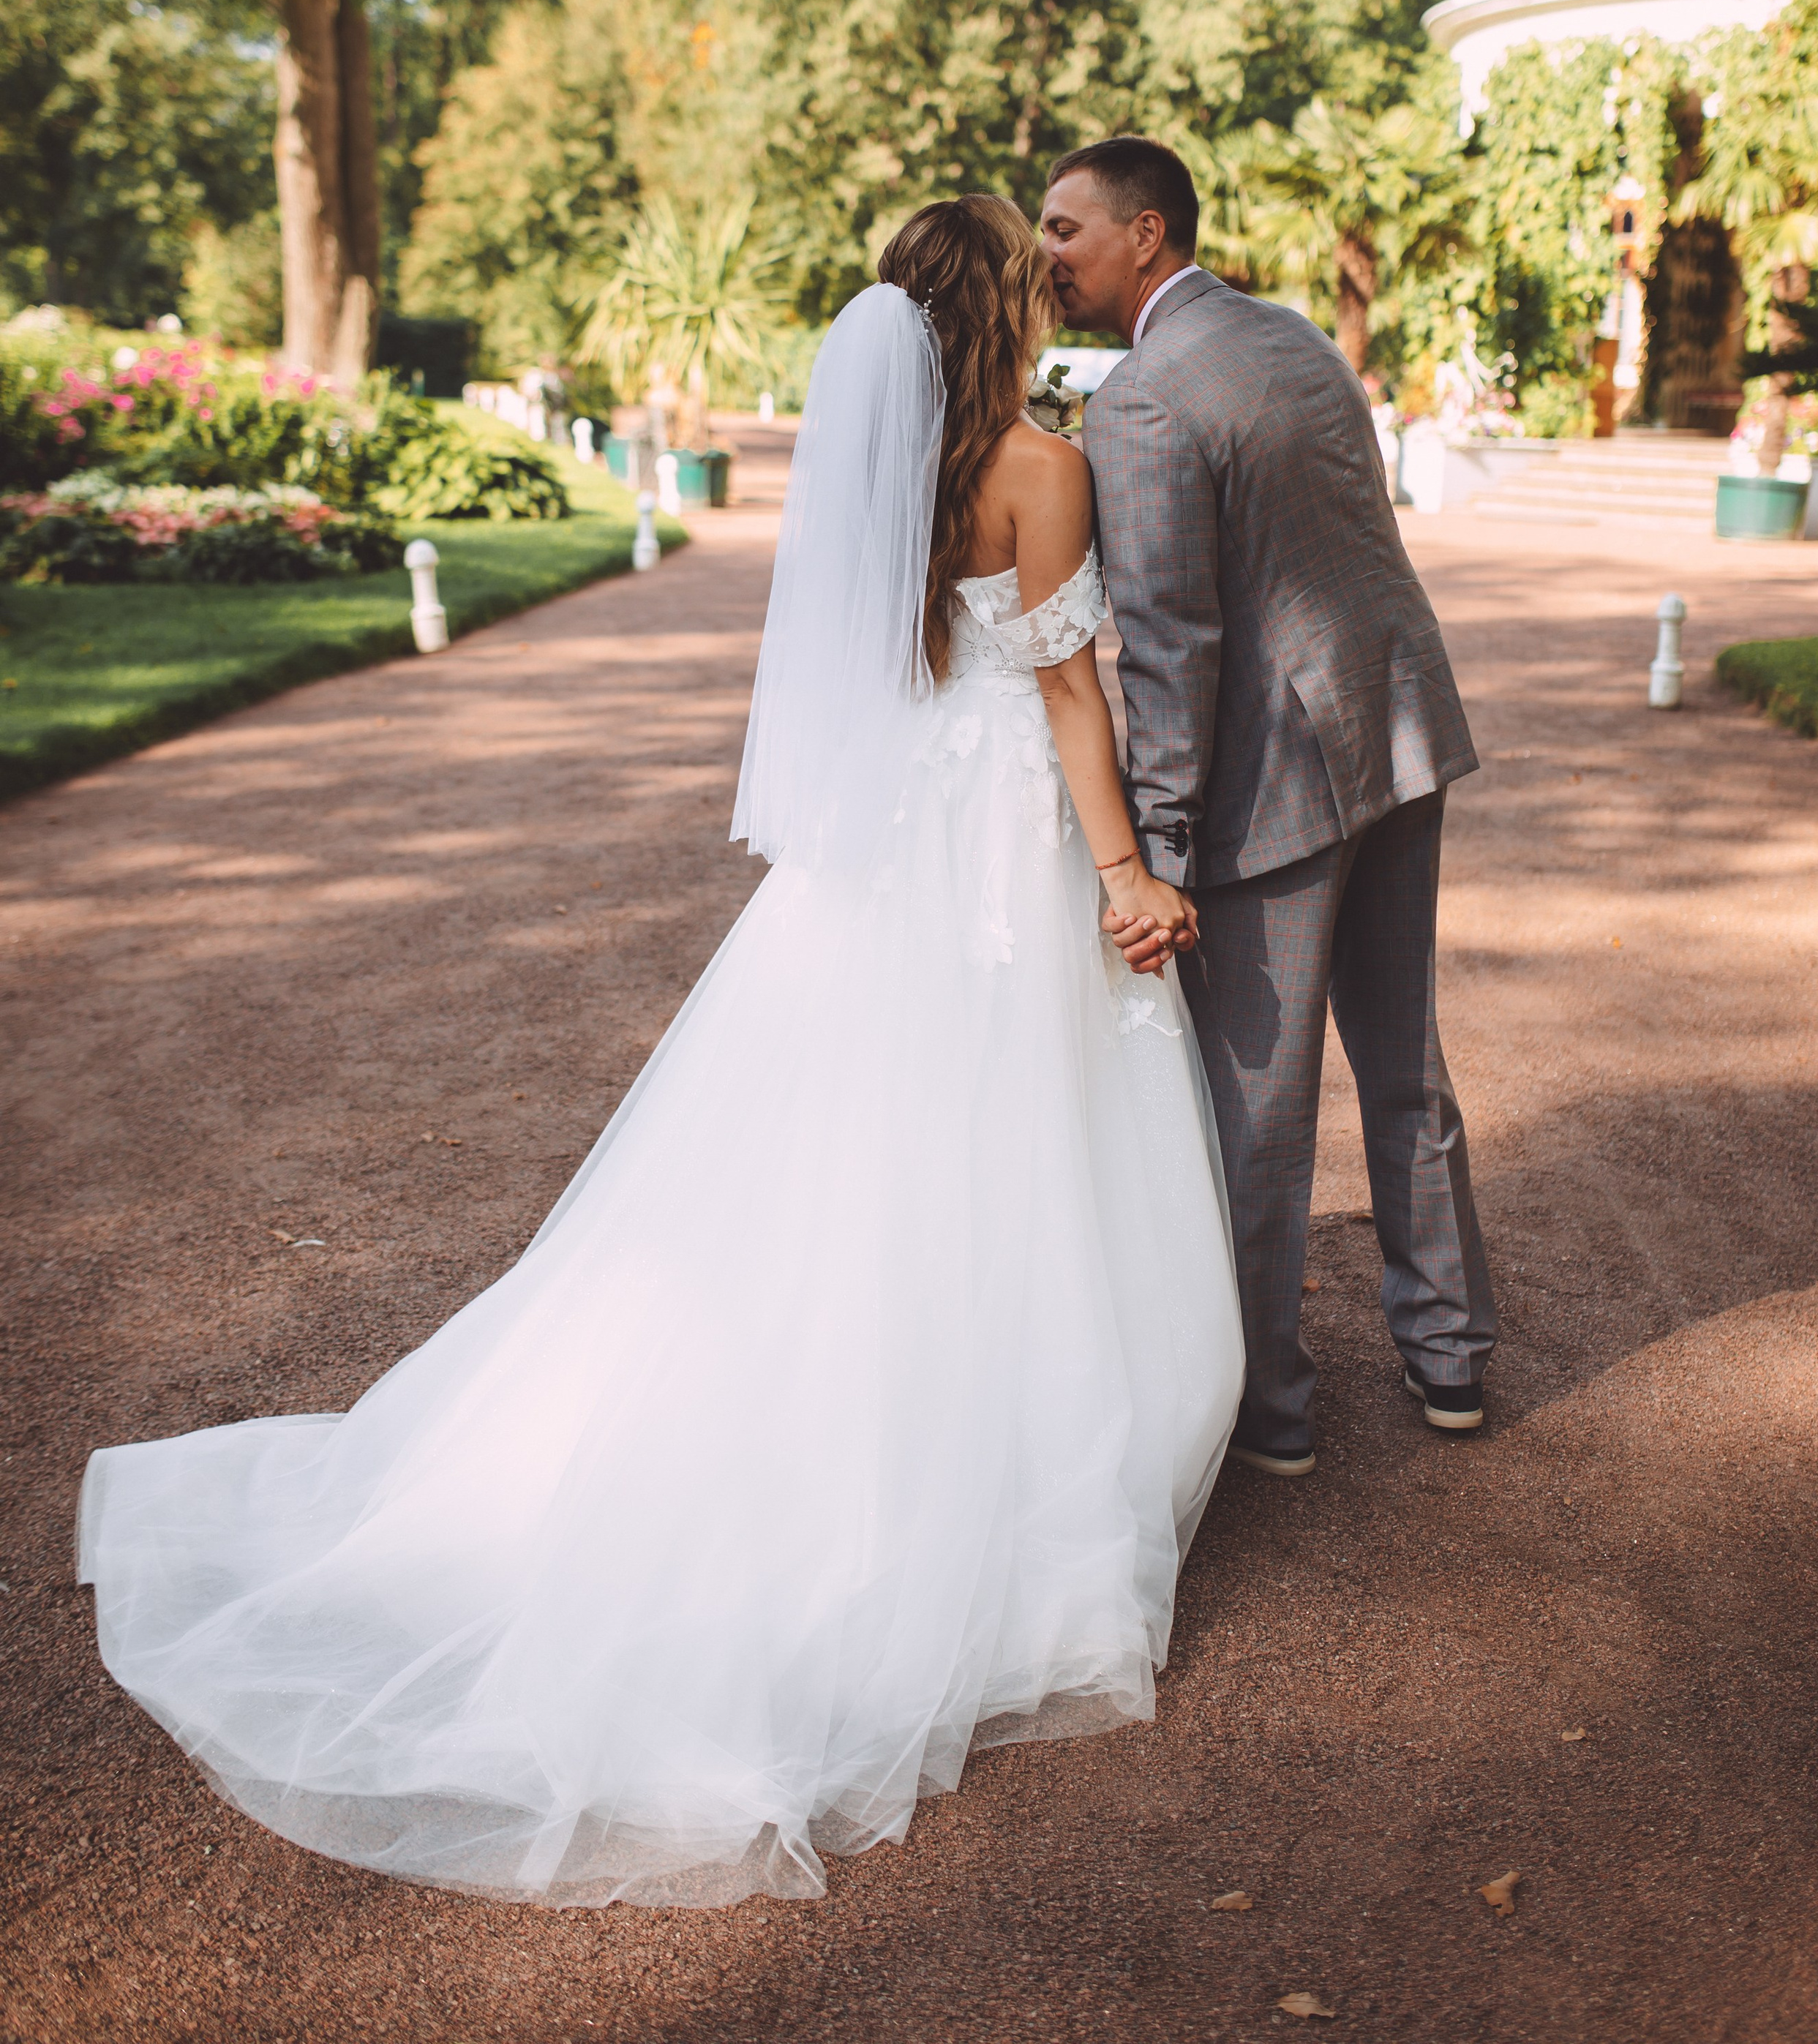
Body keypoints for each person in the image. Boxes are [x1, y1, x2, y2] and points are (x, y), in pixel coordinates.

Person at [78, 197, 1244, 1913]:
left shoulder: (881, 469)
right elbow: (1071, 695)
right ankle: (995, 1455)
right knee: (1016, 1132)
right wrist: (1126, 868)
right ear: (1006, 311)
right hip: (1000, 833)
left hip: (893, 844)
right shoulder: (1036, 466)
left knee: (852, 1138)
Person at [1041, 136, 1497, 1476]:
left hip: (1274, 792)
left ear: (1146, 233)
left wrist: (1161, 853)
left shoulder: (1140, 399)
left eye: (1065, 227)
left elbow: (1170, 649)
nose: (1047, 252)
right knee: (1405, 1064)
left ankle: (1269, 1413)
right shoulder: (1292, 335)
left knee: (1257, 1110)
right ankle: (1453, 1357)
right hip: (1396, 731)